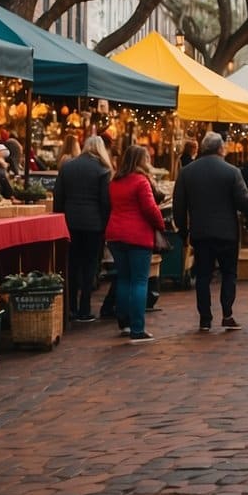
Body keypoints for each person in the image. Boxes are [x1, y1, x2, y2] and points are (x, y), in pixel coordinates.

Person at [172, 132, 248, 332]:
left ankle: (205, 318)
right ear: (220, 149)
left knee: (202, 276)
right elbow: (244, 200)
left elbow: (178, 205)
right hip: (227, 232)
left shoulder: (187, 172)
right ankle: (227, 314)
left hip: (201, 232)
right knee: (229, 273)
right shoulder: (232, 171)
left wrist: (183, 231)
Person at [104, 144, 165, 342]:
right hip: (137, 235)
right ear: (140, 160)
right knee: (140, 281)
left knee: (124, 279)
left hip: (115, 234)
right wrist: (161, 224)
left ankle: (124, 323)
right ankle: (138, 328)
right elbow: (150, 209)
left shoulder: (115, 182)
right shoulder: (141, 181)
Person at [54, 136, 113, 322]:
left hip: (70, 223)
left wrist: (60, 218)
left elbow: (58, 196)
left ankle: (70, 307)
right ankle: (84, 308)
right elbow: (105, 202)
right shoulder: (103, 170)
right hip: (94, 225)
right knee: (89, 266)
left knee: (71, 265)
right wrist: (105, 225)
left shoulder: (68, 167)